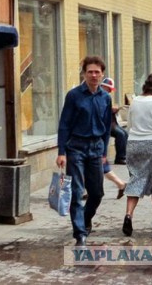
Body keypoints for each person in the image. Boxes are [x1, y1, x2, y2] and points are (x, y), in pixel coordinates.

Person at [56, 56, 112, 247]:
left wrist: (104, 152)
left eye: (97, 72)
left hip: (96, 149)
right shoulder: (74, 96)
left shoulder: (106, 98)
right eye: (90, 72)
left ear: (103, 74)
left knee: (97, 193)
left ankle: (85, 219)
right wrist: (61, 151)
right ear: (84, 73)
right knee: (77, 192)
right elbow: (64, 124)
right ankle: (80, 234)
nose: (94, 75)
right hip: (76, 149)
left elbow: (107, 126)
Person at [122, 72, 152, 237]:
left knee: (136, 178)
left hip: (133, 144)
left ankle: (129, 214)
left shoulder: (135, 100)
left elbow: (129, 125)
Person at [100, 77, 128, 164]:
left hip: (111, 122)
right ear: (105, 87)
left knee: (125, 133)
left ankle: (122, 155)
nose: (110, 91)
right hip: (105, 123)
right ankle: (120, 158)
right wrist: (112, 110)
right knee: (121, 134)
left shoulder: (106, 95)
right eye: (109, 89)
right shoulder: (100, 95)